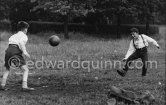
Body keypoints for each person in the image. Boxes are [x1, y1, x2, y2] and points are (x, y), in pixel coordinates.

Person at [0, 21, 34, 91]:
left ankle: (2, 85)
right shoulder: (24, 36)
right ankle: (24, 87)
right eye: (27, 29)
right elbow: (21, 43)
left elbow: (11, 44)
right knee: (26, 69)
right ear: (25, 29)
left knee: (7, 68)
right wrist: (25, 52)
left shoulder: (13, 36)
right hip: (15, 52)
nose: (27, 30)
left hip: (8, 51)